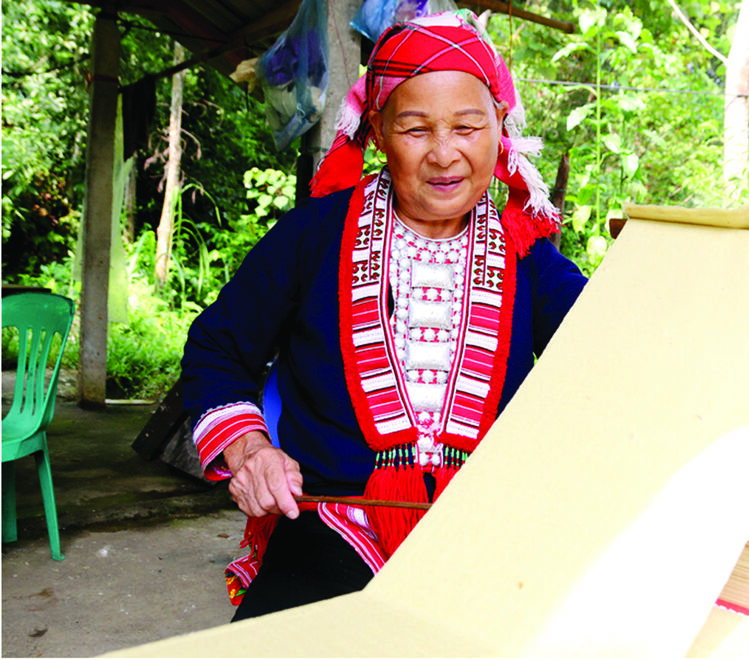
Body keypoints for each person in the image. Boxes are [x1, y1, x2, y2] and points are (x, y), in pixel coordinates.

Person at [180, 10, 587, 621]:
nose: (444, 154)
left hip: (486, 532)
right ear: (376, 129)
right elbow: (217, 349)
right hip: (331, 524)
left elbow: (611, 350)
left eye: (468, 126)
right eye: (416, 129)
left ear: (500, 126)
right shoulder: (314, 235)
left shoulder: (527, 255)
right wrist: (249, 450)